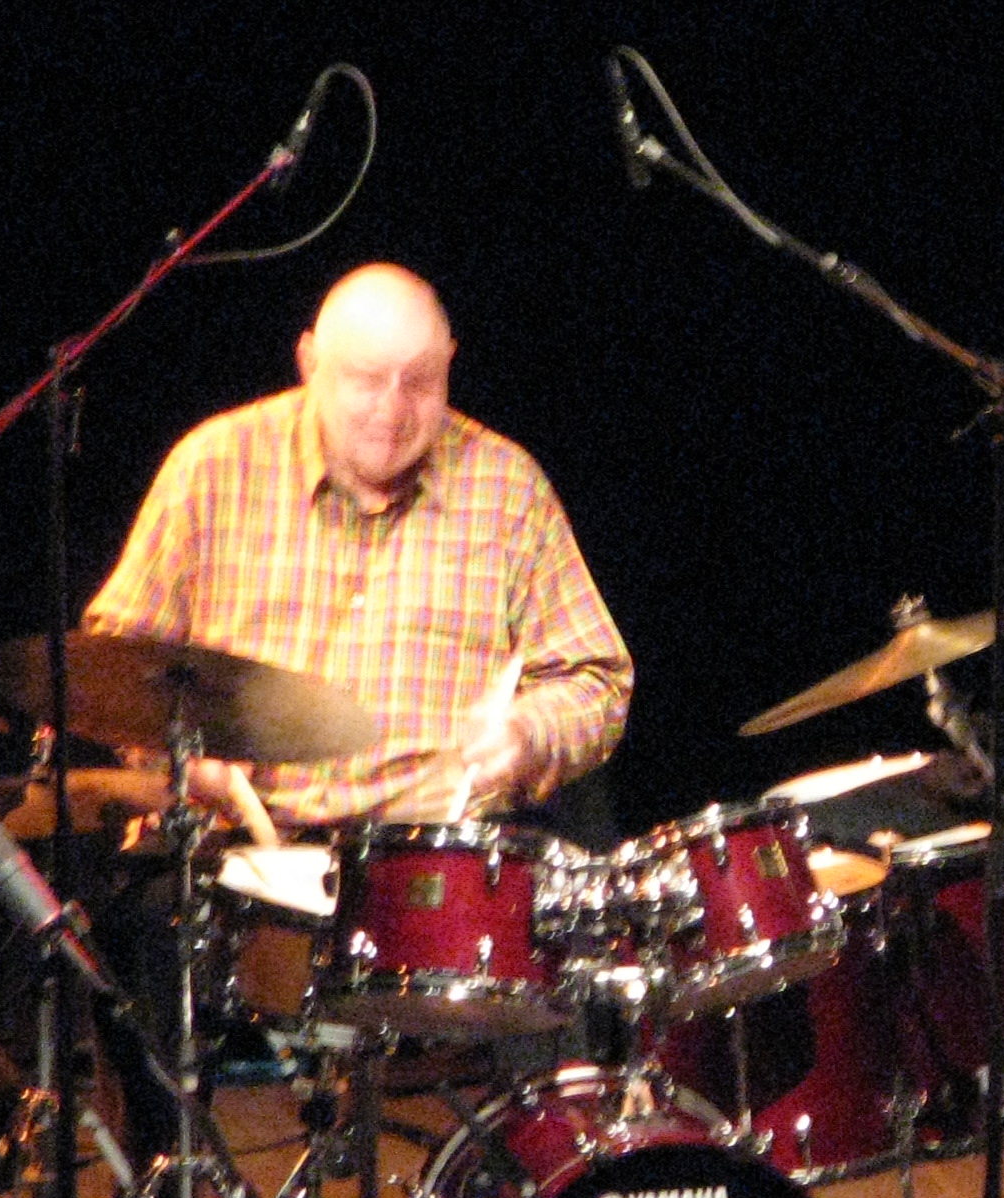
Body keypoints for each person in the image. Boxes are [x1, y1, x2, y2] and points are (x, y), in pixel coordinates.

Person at [84, 260, 632, 833]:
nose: (393, 411)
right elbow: (115, 665)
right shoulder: (213, 467)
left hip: (431, 867)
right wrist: (182, 757)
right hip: (237, 853)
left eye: (419, 381)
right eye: (367, 380)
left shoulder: (506, 488)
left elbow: (596, 680)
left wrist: (529, 733)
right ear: (309, 364)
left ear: (450, 363)